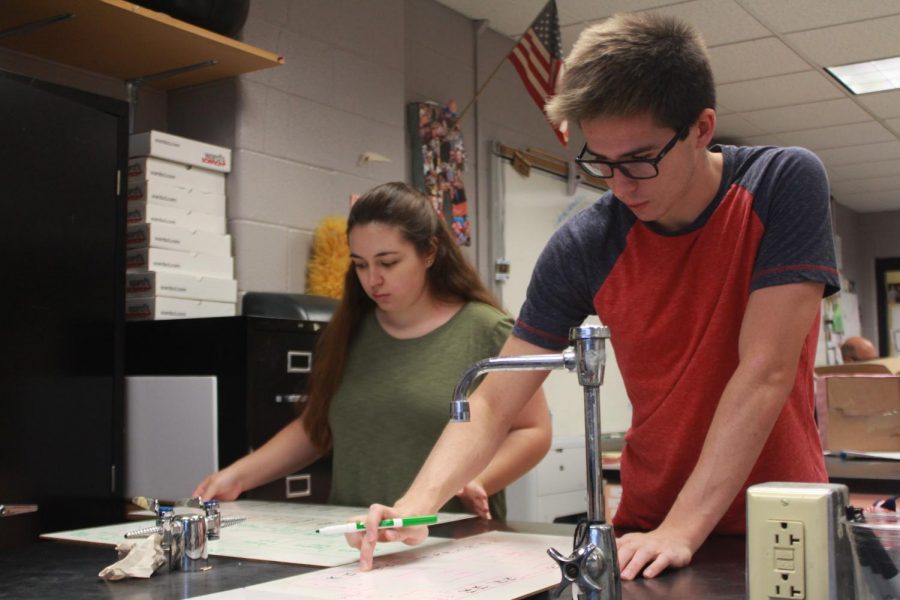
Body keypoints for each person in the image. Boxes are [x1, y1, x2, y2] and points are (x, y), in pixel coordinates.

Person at [351, 12, 840, 580]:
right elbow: (493, 400)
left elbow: (764, 372)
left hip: (780, 520)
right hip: (648, 531)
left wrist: (683, 528)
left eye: (639, 160)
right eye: (600, 162)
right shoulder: (587, 243)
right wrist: (416, 508)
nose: (620, 184)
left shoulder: (782, 183)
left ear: (702, 128)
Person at [193, 182, 551, 520]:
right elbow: (318, 429)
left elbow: (533, 431)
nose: (372, 279)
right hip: (356, 540)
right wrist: (236, 477)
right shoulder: (349, 329)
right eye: (361, 264)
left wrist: (478, 480)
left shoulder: (486, 330)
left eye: (388, 262)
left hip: (450, 541)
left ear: (429, 253)